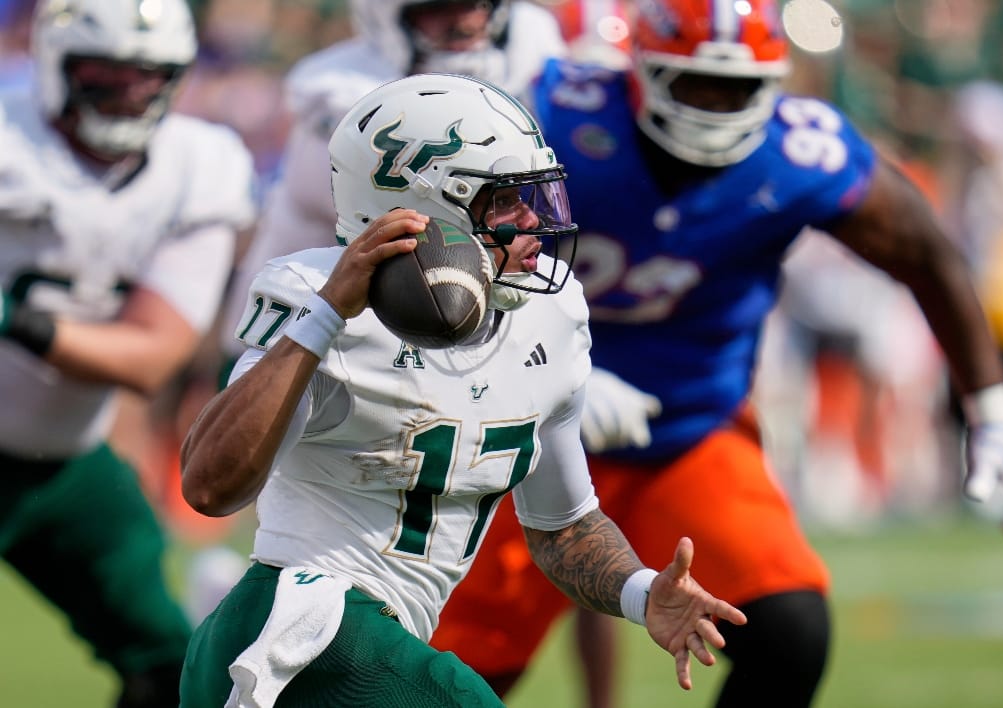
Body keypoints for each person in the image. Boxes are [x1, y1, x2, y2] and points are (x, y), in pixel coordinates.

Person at [428, 0, 1003, 706]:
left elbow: (927, 254)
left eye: (736, 88)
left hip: (688, 436)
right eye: (695, 84)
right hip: (528, 440)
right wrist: (542, 373)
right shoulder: (553, 119)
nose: (715, 107)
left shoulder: (799, 154)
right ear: (642, 69)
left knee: (789, 631)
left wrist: (993, 414)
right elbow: (446, 267)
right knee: (451, 681)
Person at [179, 72, 747, 708]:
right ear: (424, 212)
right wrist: (324, 316)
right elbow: (209, 486)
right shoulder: (318, 303)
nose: (534, 221)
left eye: (534, 195)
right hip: (299, 629)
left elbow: (562, 527)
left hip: (378, 644)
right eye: (504, 202)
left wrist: (642, 594)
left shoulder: (551, 313)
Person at [0, 0, 256, 705]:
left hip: (65, 462)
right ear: (56, 65)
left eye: (148, 75)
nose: (128, 92)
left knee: (167, 666)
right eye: (104, 74)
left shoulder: (199, 165)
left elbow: (150, 358)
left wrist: (14, 319)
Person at [216, 0, 567, 384]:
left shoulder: (534, 55)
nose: (467, 21)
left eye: (479, 3)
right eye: (439, 9)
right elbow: (425, 234)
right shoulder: (344, 96)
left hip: (465, 324)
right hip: (318, 336)